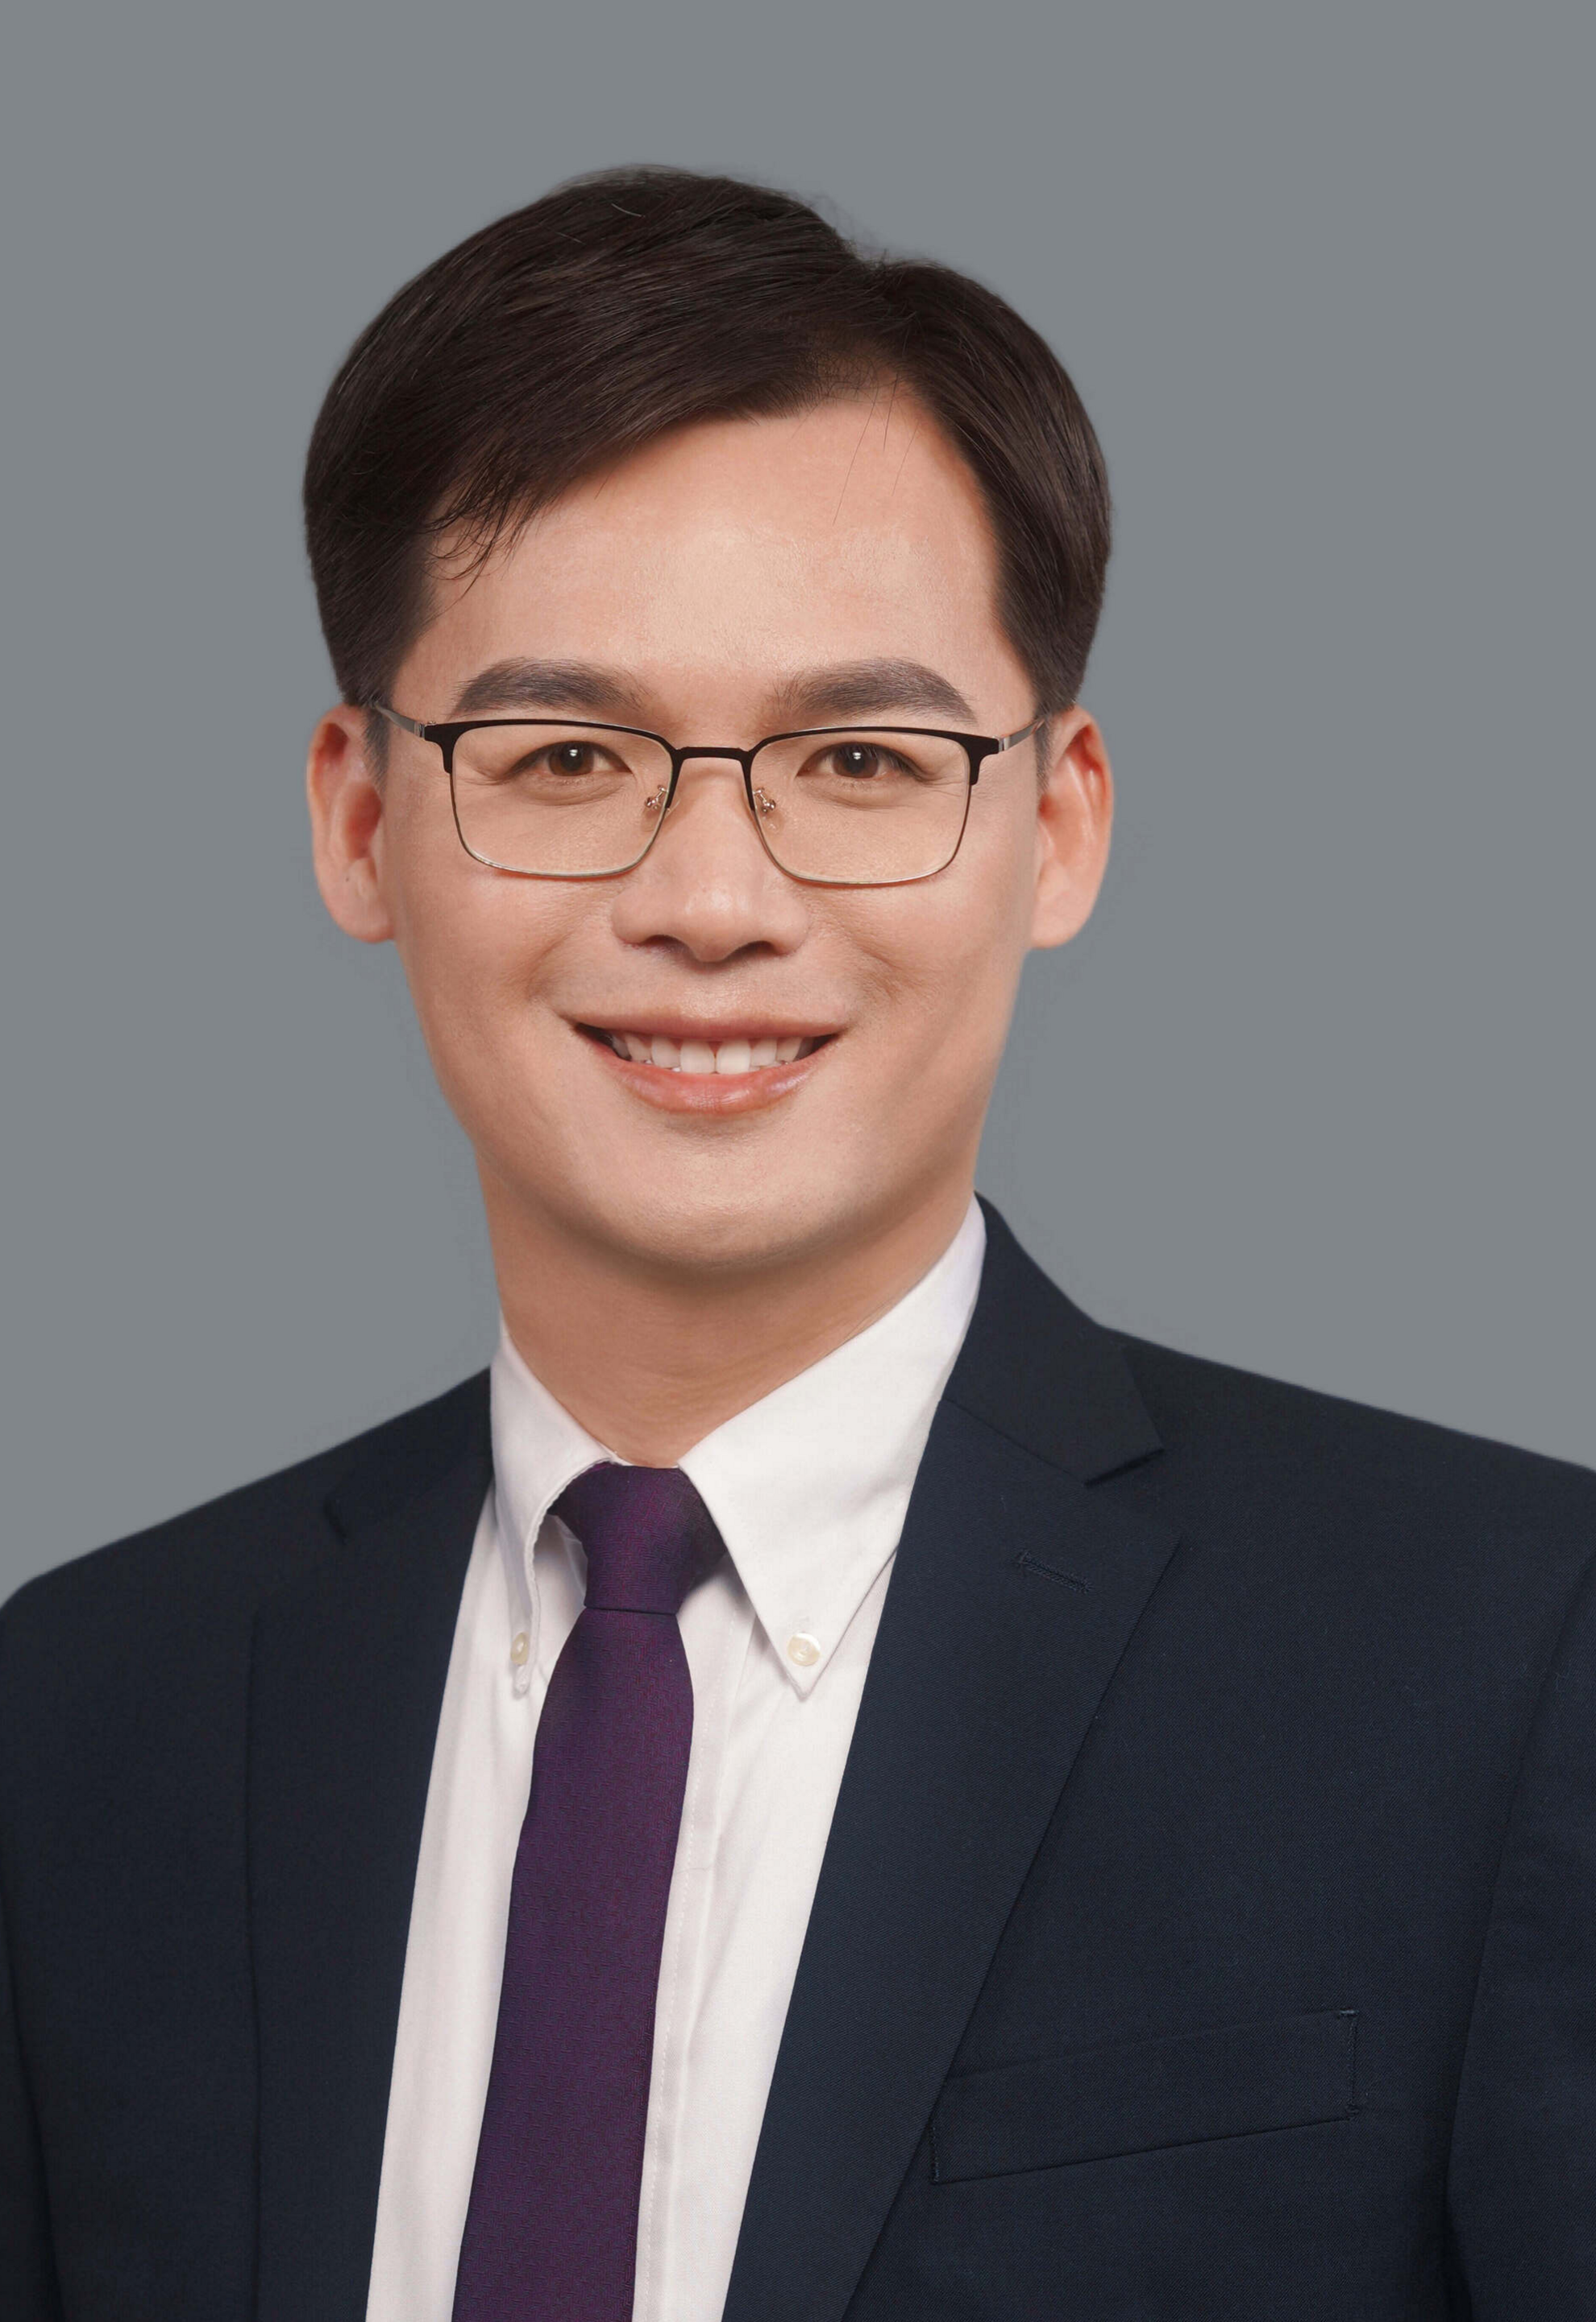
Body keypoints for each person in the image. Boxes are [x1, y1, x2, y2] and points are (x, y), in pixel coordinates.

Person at [2, 165, 1592, 2322]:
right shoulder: (92, 1713)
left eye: (857, 756)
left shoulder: (1508, 1664)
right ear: (362, 822)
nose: (713, 902)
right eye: (566, 755)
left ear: (1055, 824)